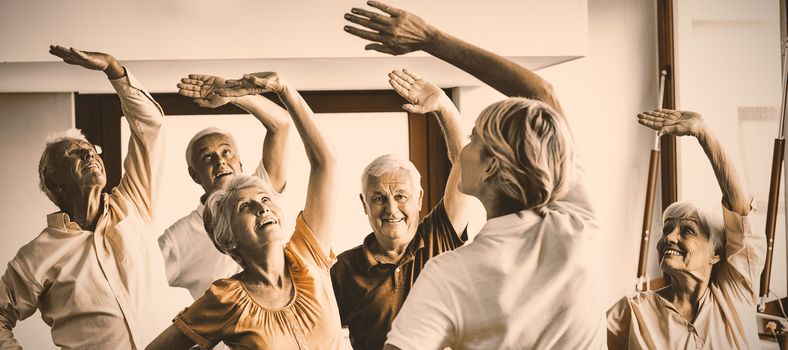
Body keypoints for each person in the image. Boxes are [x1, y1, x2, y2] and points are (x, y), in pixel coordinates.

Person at [344, 2, 605, 349]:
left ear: (491, 167)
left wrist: (429, 41)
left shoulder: (447, 274)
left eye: (475, 139)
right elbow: (542, 94)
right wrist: (430, 38)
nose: (464, 146)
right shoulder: (576, 223)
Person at [146, 71, 341, 349]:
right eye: (245, 208)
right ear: (229, 240)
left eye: (265, 199)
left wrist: (283, 88)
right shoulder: (224, 299)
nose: (262, 209)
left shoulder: (308, 257)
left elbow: (326, 161)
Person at [0, 45, 169, 349]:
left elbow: (151, 127)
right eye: (75, 154)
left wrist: (113, 68)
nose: (90, 155)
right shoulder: (36, 256)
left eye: (91, 150)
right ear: (54, 180)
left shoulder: (133, 204)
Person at [329, 68, 472, 349]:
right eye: (379, 198)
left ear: (418, 198)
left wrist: (443, 106)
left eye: (400, 196)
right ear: (364, 204)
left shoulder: (438, 236)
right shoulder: (343, 270)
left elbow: (463, 165)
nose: (391, 208)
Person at [606, 109, 763, 349]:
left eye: (687, 230)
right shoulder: (634, 311)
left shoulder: (734, 292)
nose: (668, 237)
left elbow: (741, 209)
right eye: (666, 229)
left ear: (715, 254)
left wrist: (703, 133)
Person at [158, 74, 290, 299]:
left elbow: (281, 124)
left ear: (240, 162)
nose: (220, 161)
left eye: (226, 152)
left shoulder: (262, 191)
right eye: (207, 158)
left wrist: (233, 94)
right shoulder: (177, 239)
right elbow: (137, 284)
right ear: (194, 175)